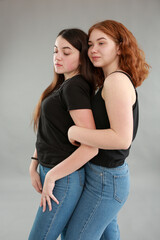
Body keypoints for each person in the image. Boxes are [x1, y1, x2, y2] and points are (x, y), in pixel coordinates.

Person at [63, 20, 150, 239]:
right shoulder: (110, 81)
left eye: (101, 43)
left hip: (106, 179)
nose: (93, 50)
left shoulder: (116, 82)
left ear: (120, 47)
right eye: (91, 44)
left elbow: (122, 139)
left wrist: (74, 132)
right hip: (103, 176)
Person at [28, 28, 99, 240]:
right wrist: (34, 163)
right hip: (55, 173)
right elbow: (50, 132)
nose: (58, 57)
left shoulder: (74, 88)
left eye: (66, 52)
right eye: (55, 50)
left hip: (63, 178)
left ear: (82, 57)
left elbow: (91, 146)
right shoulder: (64, 85)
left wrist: (51, 175)